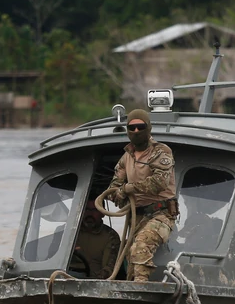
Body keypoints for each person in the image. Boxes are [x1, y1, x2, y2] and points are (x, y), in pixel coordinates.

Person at [105, 109, 178, 282]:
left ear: (148, 128)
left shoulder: (161, 152)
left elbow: (158, 183)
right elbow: (114, 186)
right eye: (132, 127)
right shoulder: (126, 157)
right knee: (130, 260)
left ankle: (141, 288)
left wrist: (128, 189)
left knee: (141, 247)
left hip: (162, 214)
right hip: (137, 216)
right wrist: (117, 193)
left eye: (140, 127)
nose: (136, 131)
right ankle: (132, 291)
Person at [73, 200, 121, 279]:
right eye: (87, 209)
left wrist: (99, 277)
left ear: (102, 213)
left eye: (95, 210)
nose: (90, 214)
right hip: (64, 277)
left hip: (91, 282)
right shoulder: (68, 232)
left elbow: (109, 268)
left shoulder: (110, 236)